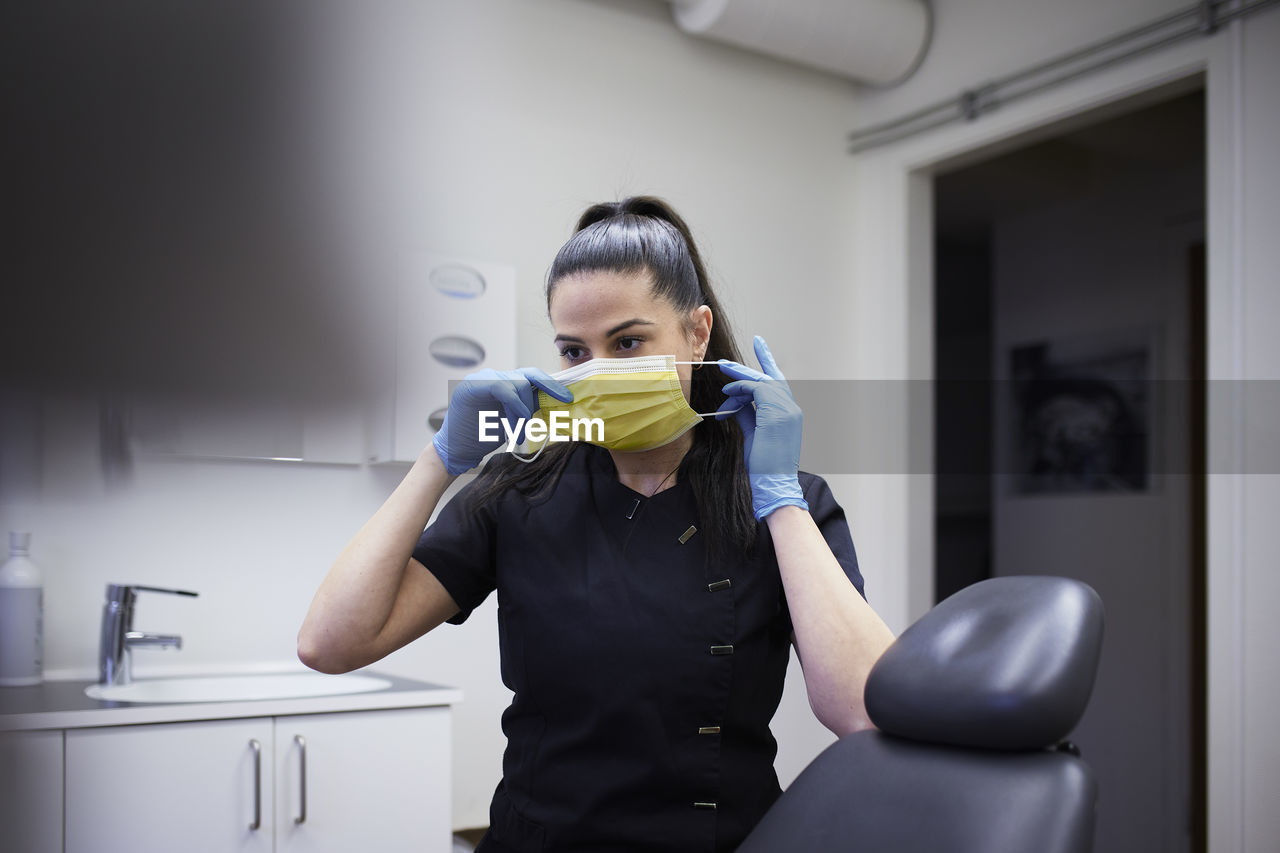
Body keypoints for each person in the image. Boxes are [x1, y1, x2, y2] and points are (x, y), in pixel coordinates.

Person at [298, 196, 895, 853]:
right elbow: (330, 644)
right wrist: (438, 460)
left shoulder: (783, 502)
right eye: (574, 350)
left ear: (696, 334)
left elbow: (866, 709)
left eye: (629, 342)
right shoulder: (517, 492)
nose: (599, 370)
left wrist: (778, 496)